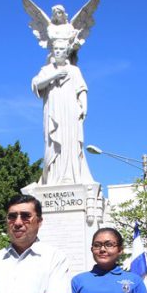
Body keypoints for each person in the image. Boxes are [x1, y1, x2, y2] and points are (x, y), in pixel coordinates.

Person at [31, 38, 93, 185]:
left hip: (70, 110)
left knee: (70, 141)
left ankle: (69, 176)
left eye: (61, 49)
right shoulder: (47, 70)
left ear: (66, 53)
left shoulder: (74, 70)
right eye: (56, 49)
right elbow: (36, 84)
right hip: (53, 111)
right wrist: (54, 76)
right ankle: (53, 176)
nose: (58, 51)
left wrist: (84, 106)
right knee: (53, 143)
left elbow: (81, 89)